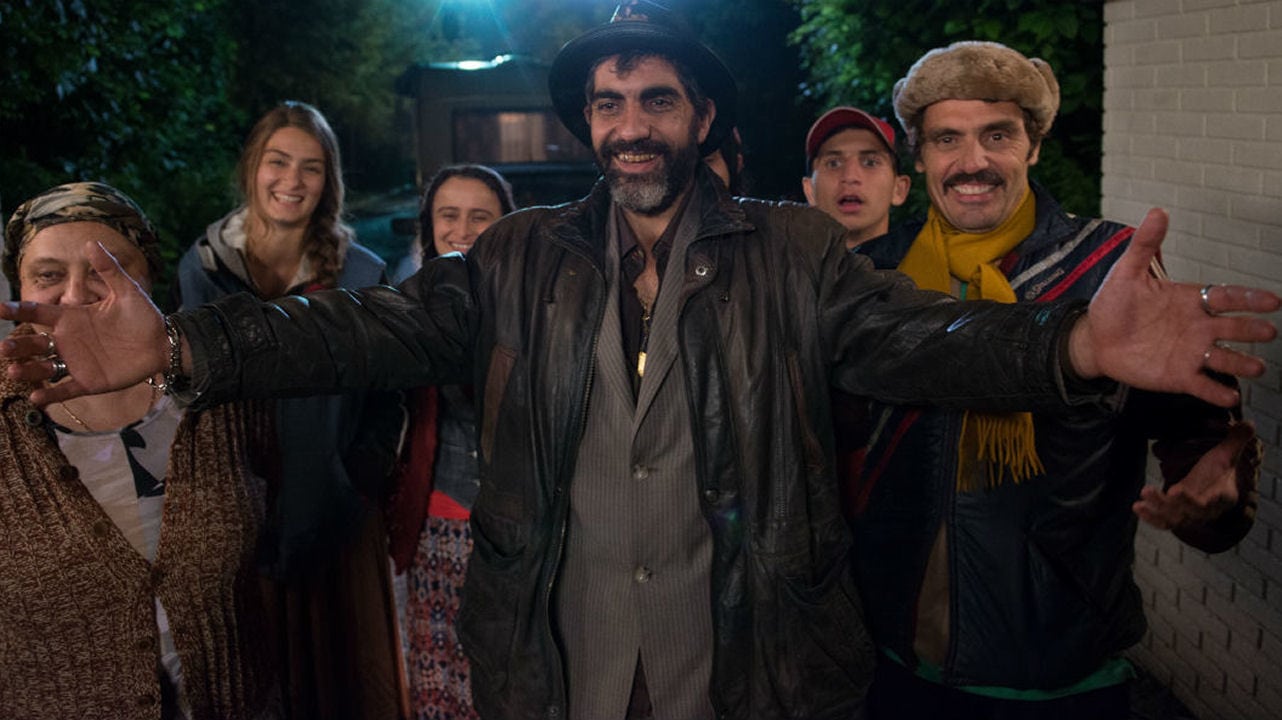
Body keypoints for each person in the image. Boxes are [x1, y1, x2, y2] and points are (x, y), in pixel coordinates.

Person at [1, 4, 1278, 720]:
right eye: (606, 106)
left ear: (700, 115)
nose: (629, 127)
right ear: (585, 125)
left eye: (655, 100)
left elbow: (918, 340)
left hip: (747, 673)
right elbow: (358, 325)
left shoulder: (793, 252)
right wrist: (184, 343)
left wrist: (1071, 341)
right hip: (561, 673)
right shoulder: (518, 257)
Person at [850, 41, 1263, 719]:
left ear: (1034, 146)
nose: (972, 161)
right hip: (897, 657)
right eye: (947, 139)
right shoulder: (875, 272)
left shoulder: (1108, 268)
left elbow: (1195, 443)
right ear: (918, 155)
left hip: (1062, 670)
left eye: (998, 135)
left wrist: (1214, 497)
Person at [0, 182, 279, 719]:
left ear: (148, 277)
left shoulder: (218, 395)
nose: (75, 295)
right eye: (48, 275)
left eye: (106, 269)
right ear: (20, 288)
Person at [174, 100, 406, 720]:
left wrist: (356, 477)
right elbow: (184, 395)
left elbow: (390, 394)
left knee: (342, 690)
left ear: (329, 181)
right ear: (253, 167)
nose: (292, 180)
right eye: (278, 161)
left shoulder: (361, 274)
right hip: (234, 525)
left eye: (311, 167)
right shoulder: (203, 268)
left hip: (334, 518)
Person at [384, 164, 515, 720]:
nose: (462, 229)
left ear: (506, 224)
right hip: (437, 520)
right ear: (429, 225)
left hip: (516, 530)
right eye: (448, 215)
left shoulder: (535, 305)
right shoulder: (408, 303)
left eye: (480, 216)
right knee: (439, 676)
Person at [802, 106, 910, 248]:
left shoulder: (925, 261)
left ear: (898, 189)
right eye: (833, 164)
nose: (850, 176)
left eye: (870, 163)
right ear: (810, 190)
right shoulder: (779, 261)